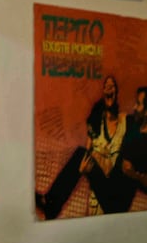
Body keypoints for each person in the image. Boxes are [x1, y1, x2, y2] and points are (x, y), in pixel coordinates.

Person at [36, 74, 127, 219]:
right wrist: (81, 168)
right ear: (104, 93)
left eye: (112, 86)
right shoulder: (97, 122)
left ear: (116, 92)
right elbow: (87, 151)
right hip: (100, 177)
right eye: (106, 86)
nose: (109, 88)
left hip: (115, 181)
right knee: (81, 155)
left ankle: (51, 205)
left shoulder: (124, 121)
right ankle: (51, 204)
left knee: (81, 155)